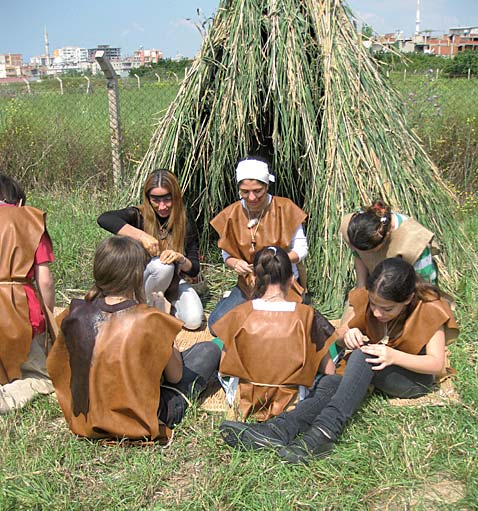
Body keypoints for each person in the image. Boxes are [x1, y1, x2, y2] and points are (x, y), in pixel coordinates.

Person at [219, 258, 458, 463]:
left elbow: (435, 364)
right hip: (376, 366)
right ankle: (279, 429)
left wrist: (393, 355)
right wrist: (349, 335)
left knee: (365, 356)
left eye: (386, 309)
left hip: (413, 377)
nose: (376, 313)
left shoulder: (428, 307)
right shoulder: (369, 298)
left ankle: (324, 432)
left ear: (407, 299)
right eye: (374, 305)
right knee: (331, 382)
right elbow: (341, 333)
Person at [47, 236, 221, 441]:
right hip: (140, 417)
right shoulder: (150, 319)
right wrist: (164, 323)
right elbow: (175, 376)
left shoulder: (74, 312)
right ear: (138, 275)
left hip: (88, 414)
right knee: (208, 351)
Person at [214, 246, 336, 421]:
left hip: (245, 399)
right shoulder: (307, 315)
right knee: (332, 350)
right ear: (291, 279)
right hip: (291, 401)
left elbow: (224, 365)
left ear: (254, 278)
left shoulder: (239, 313)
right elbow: (329, 370)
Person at [208, 158, 308, 334]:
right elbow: (227, 254)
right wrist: (234, 263)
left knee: (286, 329)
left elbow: (301, 250)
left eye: (257, 191)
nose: (251, 198)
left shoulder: (285, 209)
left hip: (281, 283)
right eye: (245, 192)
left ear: (267, 186)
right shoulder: (232, 214)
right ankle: (236, 302)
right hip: (248, 284)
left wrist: (272, 262)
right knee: (216, 326)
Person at [97, 169, 203, 330]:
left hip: (173, 282)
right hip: (142, 282)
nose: (162, 207)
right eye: (155, 200)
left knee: (194, 321)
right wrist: (141, 236)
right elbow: (105, 218)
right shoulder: (138, 215)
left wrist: (180, 258)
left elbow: (194, 269)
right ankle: (140, 312)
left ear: (176, 197)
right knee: (163, 266)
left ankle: (162, 309)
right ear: (148, 198)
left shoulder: (185, 221)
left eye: (168, 199)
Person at [0, 174, 56, 414]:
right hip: (20, 312)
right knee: (45, 379)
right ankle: (7, 397)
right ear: (19, 202)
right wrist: (49, 317)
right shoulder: (29, 220)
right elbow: (44, 280)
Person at [341, 198, 439, 288]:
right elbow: (358, 256)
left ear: (387, 235)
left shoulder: (414, 243)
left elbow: (426, 286)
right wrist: (361, 288)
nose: (366, 255)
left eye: (370, 252)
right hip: (377, 283)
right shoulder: (356, 226)